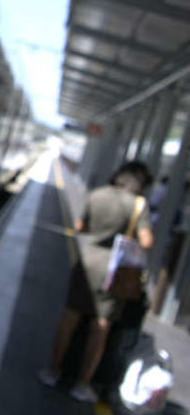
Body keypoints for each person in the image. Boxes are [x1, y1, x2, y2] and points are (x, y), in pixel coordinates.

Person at [39, 161, 154, 402]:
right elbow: (146, 242)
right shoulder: (138, 205)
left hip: (87, 261)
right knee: (100, 326)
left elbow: (81, 226)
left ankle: (52, 371)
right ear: (140, 183)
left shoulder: (98, 194)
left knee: (70, 315)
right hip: (114, 270)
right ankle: (82, 384)